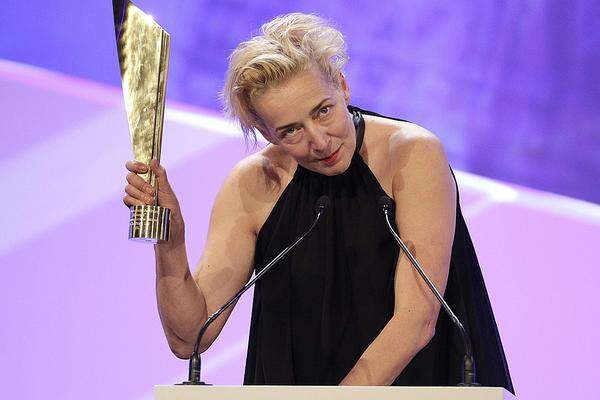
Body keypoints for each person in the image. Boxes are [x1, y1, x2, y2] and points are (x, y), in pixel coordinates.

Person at [123, 13, 514, 391]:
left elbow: (417, 319)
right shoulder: (254, 183)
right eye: (291, 130)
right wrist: (170, 243)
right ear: (266, 132)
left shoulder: (410, 154)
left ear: (342, 86)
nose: (320, 141)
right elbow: (189, 336)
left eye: (323, 111)